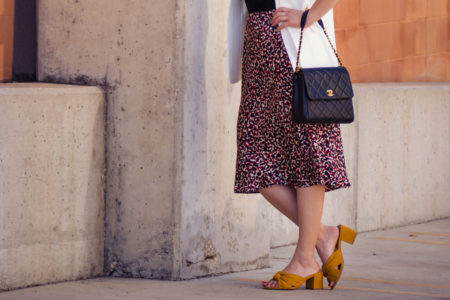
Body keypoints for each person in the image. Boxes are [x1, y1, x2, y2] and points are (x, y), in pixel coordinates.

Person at [229, 0, 357, 290]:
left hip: (295, 49)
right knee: (254, 160)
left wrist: (308, 17)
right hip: (259, 51)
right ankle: (324, 236)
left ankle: (304, 259)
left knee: (307, 155)